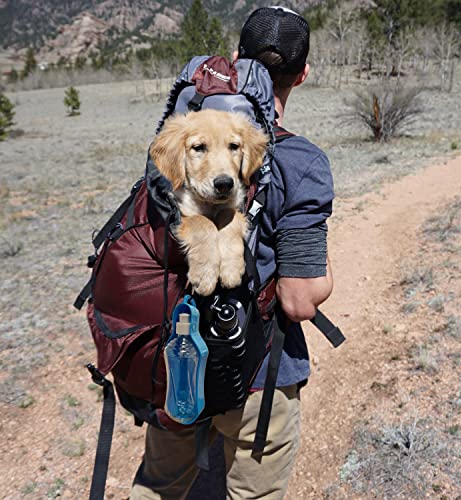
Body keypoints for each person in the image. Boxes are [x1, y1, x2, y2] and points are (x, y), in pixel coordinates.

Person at [130, 6, 334, 499]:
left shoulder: (183, 141)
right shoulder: (302, 162)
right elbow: (300, 299)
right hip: (259, 372)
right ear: (302, 74)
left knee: (159, 484)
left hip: (174, 357)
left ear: (238, 61)